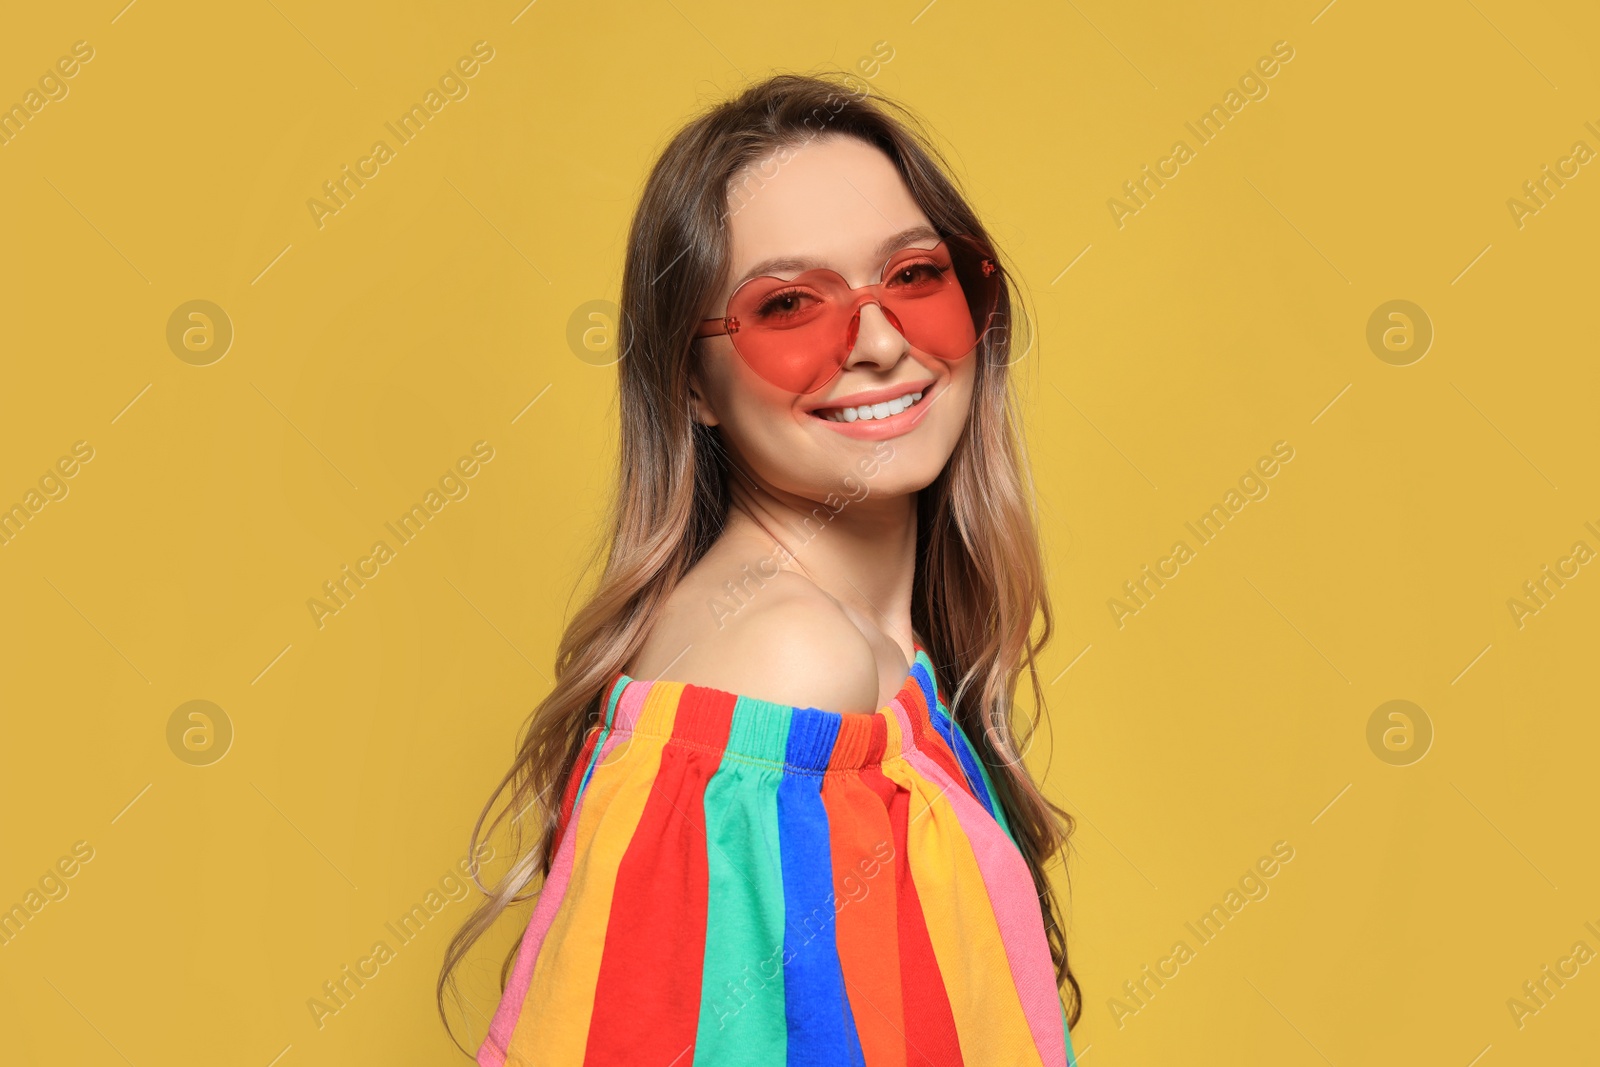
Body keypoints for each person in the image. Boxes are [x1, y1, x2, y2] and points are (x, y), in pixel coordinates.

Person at [439, 72, 1081, 1067]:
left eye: (914, 276)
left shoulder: (881, 656)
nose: (876, 341)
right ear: (691, 382)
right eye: (788, 304)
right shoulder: (788, 664)